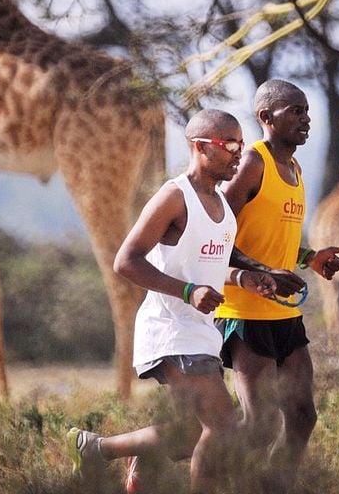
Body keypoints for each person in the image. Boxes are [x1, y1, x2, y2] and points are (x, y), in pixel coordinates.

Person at [65, 109, 276, 494]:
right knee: (223, 428)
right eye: (229, 145)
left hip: (202, 333)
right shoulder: (175, 196)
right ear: (199, 146)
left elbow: (210, 268)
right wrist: (186, 291)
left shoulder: (225, 208)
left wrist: (246, 277)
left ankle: (96, 448)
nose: (237, 153)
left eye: (241, 145)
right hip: (171, 330)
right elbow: (125, 261)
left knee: (191, 434)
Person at [216, 79, 339, 491]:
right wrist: (260, 274)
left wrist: (310, 258)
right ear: (265, 118)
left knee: (303, 415)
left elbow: (273, 241)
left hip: (284, 313)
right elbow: (216, 235)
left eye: (306, 111)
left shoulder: (295, 168)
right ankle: (158, 451)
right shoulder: (254, 163)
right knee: (260, 426)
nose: (305, 119)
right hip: (244, 311)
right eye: (295, 111)